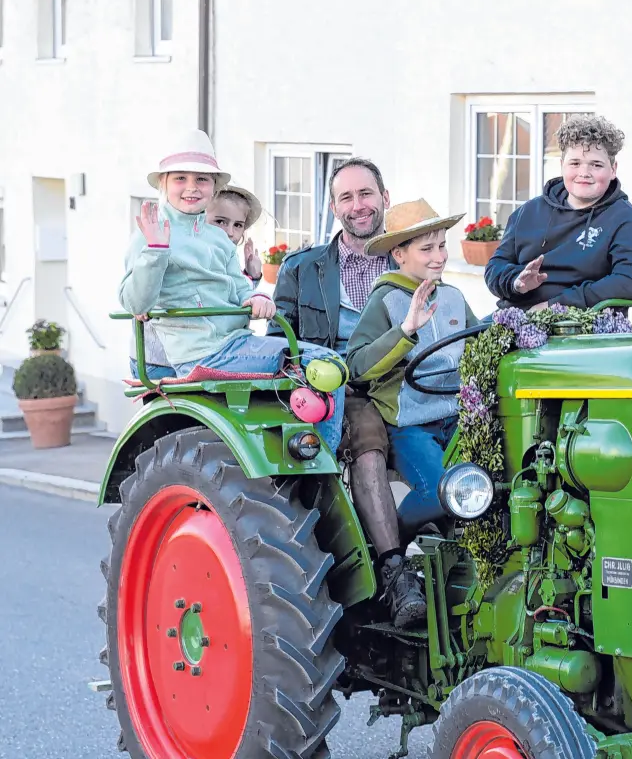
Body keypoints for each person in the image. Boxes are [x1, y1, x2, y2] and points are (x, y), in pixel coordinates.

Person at [267, 158, 426, 628]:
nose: (358, 206)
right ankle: (395, 571)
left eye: (366, 194)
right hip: (344, 390)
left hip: (408, 382)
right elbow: (283, 342)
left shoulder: (409, 259)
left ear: (385, 198)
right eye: (346, 197)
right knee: (366, 437)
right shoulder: (303, 270)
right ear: (334, 206)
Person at [118, 129, 346, 454]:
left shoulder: (215, 239)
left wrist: (256, 296)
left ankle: (309, 450)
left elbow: (239, 289)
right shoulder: (151, 234)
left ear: (214, 187)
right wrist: (156, 250)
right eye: (180, 178)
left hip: (236, 344)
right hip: (202, 353)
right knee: (324, 361)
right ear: (163, 184)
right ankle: (323, 459)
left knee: (325, 366)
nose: (191, 188)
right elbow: (135, 302)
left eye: (202, 179)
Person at [346, 201, 478, 574]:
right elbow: (357, 365)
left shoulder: (452, 296)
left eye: (442, 246)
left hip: (456, 417)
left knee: (487, 489)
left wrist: (519, 306)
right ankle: (386, 547)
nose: (438, 257)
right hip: (410, 422)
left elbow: (476, 340)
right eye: (426, 249)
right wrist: (405, 331)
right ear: (399, 254)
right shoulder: (386, 300)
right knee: (444, 494)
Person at [484, 114, 632, 312]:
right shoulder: (527, 212)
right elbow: (495, 268)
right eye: (575, 163)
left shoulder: (623, 218)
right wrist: (516, 282)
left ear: (613, 169)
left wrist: (556, 306)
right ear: (562, 164)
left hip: (582, 327)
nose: (584, 172)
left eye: (596, 165)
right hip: (514, 317)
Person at [130, 184, 264, 381]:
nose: (230, 232)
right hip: (158, 358)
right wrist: (143, 304)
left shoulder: (223, 255)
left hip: (206, 353)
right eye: (220, 221)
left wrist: (252, 277)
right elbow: (145, 285)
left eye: (238, 225)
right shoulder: (176, 246)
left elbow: (228, 296)